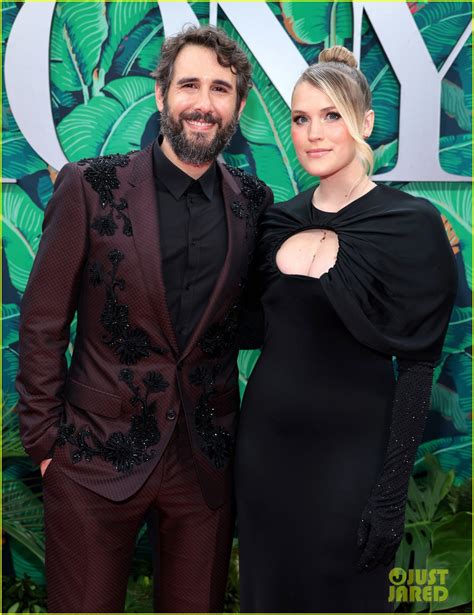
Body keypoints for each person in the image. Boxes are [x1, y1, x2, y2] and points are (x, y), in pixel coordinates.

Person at [16, 25, 273, 613]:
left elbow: (260, 319)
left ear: (237, 105)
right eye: (188, 85)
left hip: (202, 468)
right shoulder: (90, 186)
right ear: (161, 95)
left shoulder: (253, 204)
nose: (203, 103)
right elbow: (42, 323)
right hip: (89, 460)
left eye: (220, 89)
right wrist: (45, 446)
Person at [235, 45, 457, 613]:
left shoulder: (411, 225)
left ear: (365, 123)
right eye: (301, 117)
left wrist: (388, 495)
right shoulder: (276, 220)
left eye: (332, 115)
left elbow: (417, 366)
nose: (314, 132)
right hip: (265, 454)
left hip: (353, 458)